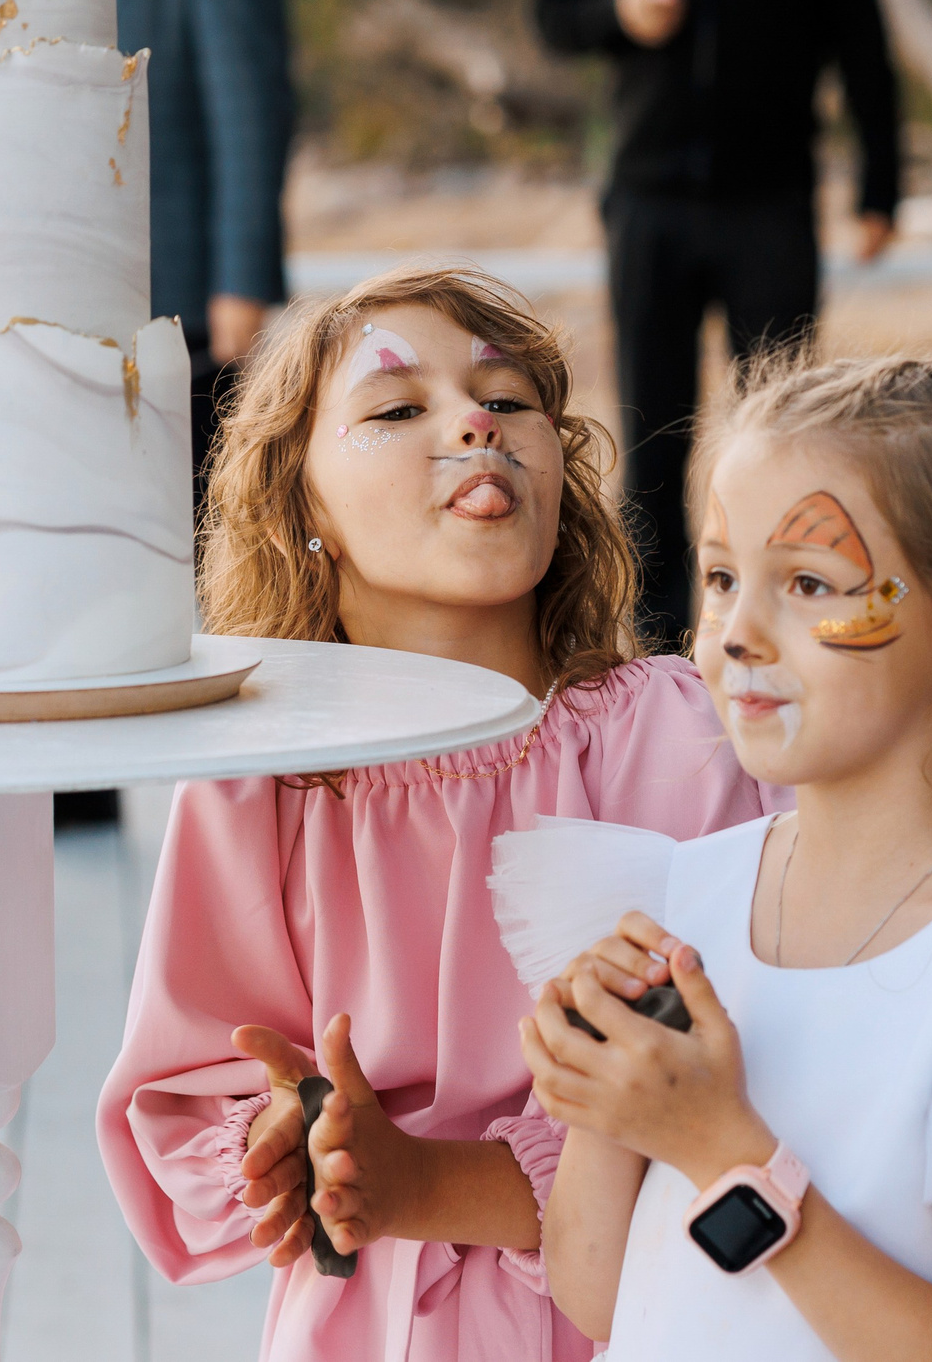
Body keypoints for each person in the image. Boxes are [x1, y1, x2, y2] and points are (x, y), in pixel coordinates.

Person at [96, 267, 777, 1362]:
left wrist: (428, 1180)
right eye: (397, 408)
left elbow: (756, 1083)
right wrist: (292, 1143)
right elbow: (187, 1098)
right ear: (301, 508)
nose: (474, 423)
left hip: (648, 1317)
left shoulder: (683, 733)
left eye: (507, 399)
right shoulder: (257, 783)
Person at [502, 355, 932, 1357]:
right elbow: (599, 1295)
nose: (738, 634)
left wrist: (724, 1149)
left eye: (808, 583)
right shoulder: (685, 895)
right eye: (723, 577)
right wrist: (613, 1112)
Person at [534, 0, 901, 651]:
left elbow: (860, 33)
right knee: (654, 438)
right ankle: (660, 650)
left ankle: (778, 633)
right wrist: (618, 12)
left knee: (784, 431)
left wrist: (880, 185)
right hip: (647, 197)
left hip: (770, 197)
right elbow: (551, 13)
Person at [40, 0, 292, 493]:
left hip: (189, 290)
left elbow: (249, 113)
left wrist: (241, 283)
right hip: (100, 283)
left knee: (197, 514)